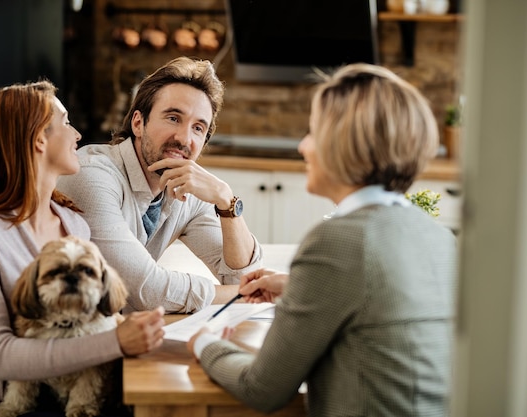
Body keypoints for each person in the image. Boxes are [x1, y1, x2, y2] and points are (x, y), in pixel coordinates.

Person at [187, 63, 458, 416]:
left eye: (313, 132)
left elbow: (262, 388)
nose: (302, 146)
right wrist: (300, 286)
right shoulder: (437, 237)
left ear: (344, 143)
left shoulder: (340, 241)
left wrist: (205, 344)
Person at [0, 80, 165, 417]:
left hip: (56, 406)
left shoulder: (74, 224)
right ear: (40, 138)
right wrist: (115, 342)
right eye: (66, 123)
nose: (77, 135)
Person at [57, 57, 262, 314]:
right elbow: (147, 291)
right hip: (66, 338)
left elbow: (244, 276)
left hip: (122, 332)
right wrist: (241, 294)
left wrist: (226, 201)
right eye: (173, 118)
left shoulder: (187, 188)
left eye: (198, 128)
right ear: (138, 123)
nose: (184, 138)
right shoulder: (92, 177)